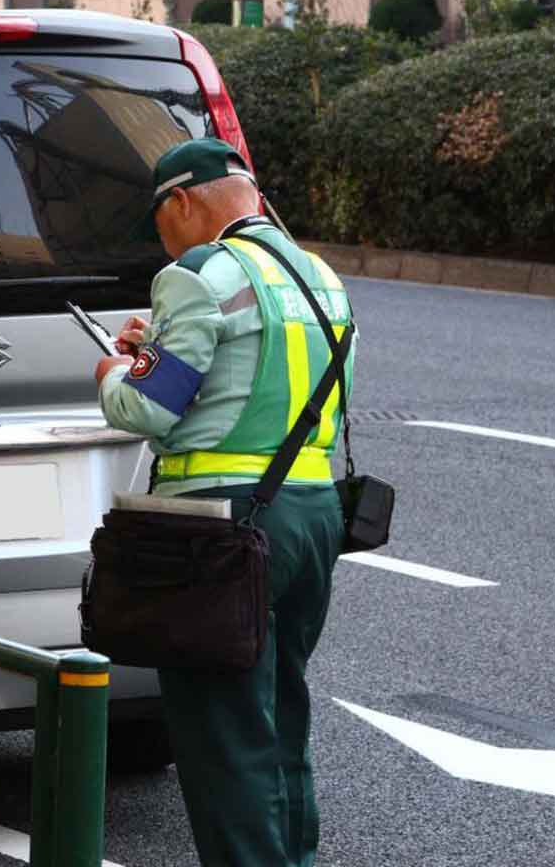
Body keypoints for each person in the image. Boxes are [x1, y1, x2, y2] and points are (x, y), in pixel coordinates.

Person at [93, 137, 354, 867]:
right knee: (280, 721)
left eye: (160, 220)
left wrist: (114, 369)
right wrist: (162, 350)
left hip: (221, 528)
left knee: (222, 739)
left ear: (181, 202)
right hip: (311, 512)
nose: (162, 240)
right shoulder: (320, 274)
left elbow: (148, 408)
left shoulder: (199, 273)